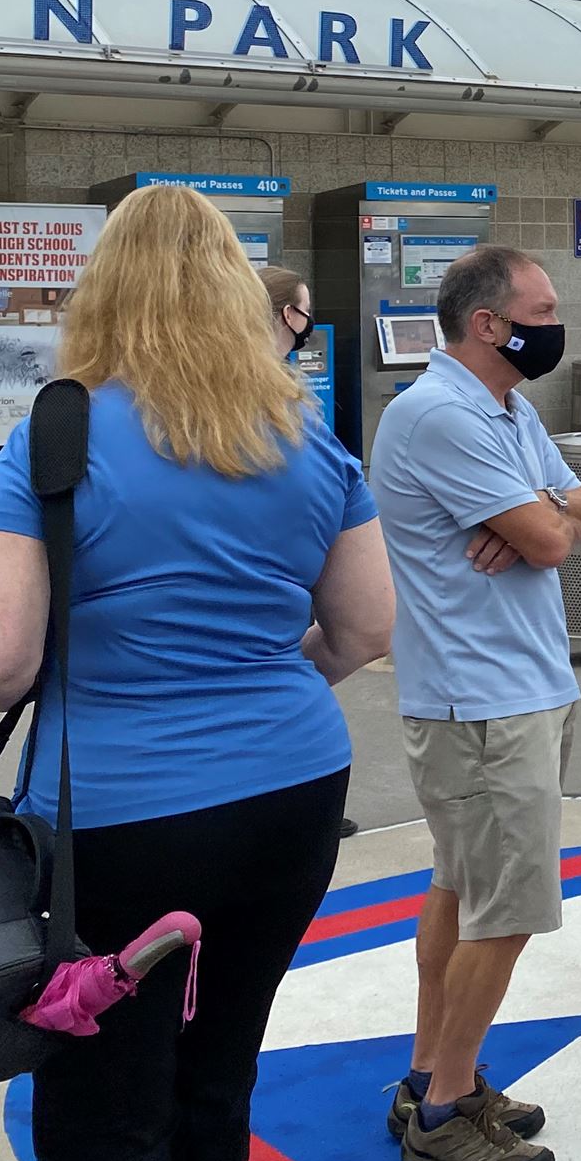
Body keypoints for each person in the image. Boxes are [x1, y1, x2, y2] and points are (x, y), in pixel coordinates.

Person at [0, 184, 391, 1161]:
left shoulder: (56, 434)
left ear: (103, 290)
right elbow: (365, 629)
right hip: (291, 793)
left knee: (103, 1136)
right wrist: (247, 679)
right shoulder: (300, 434)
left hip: (118, 829)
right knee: (212, 1085)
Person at [370, 245, 581, 1161]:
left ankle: (434, 1074)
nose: (555, 323)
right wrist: (546, 521)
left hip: (521, 686)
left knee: (465, 889)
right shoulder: (436, 414)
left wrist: (545, 514)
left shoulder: (506, 407)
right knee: (502, 910)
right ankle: (442, 1112)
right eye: (542, 309)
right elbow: (554, 535)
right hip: (482, 701)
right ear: (488, 325)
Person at [259, 265, 362, 843]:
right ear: (284, 316)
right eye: (303, 312)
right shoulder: (297, 421)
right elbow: (367, 627)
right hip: (295, 741)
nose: (307, 327)